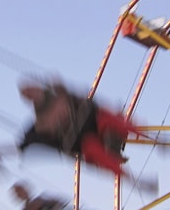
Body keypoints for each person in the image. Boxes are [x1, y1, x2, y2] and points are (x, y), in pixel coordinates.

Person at [18, 81, 157, 194]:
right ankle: (134, 180)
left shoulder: (58, 92)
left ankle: (154, 139)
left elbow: (84, 99)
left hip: (96, 122)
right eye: (28, 94)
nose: (33, 93)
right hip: (83, 139)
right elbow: (45, 135)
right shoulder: (41, 120)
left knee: (107, 119)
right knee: (92, 148)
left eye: (32, 89)